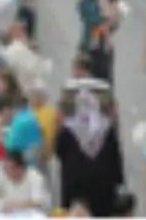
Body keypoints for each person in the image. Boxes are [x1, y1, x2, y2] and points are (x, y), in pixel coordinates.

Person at [54, 91, 125, 220]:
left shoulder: (68, 129)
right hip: (103, 187)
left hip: (74, 186)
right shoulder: (106, 128)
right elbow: (115, 157)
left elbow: (59, 152)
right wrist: (119, 181)